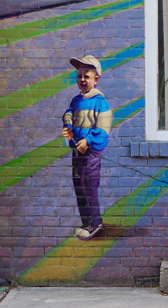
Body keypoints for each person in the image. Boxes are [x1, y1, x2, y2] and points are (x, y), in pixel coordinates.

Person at [62, 55, 112, 240]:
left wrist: (88, 141)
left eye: (87, 76)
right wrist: (68, 124)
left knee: (89, 184)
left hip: (90, 153)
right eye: (80, 76)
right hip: (77, 150)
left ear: (96, 79)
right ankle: (86, 222)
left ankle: (95, 223)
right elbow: (69, 113)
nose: (83, 80)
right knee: (79, 185)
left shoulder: (100, 102)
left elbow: (103, 128)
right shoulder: (76, 101)